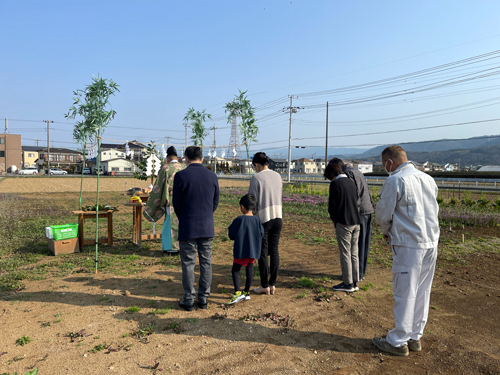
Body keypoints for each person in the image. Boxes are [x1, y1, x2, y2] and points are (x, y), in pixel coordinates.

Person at [372, 145, 440, 357]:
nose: (386, 168)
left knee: (405, 291)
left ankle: (397, 340)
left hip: (408, 244)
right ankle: (415, 336)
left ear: (390, 162)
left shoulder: (395, 180)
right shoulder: (428, 179)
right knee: (422, 290)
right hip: (430, 242)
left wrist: (386, 232)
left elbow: (383, 214)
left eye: (385, 165)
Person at [172, 146, 219, 311]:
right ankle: (204, 298)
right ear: (202, 159)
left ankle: (189, 299)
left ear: (185, 159)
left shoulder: (181, 176)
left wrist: (184, 216)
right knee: (206, 262)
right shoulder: (212, 176)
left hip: (188, 226)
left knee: (188, 263)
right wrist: (206, 214)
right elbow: (215, 202)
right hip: (207, 225)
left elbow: (176, 203)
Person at [330, 158, 374, 281]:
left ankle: (356, 274)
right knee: (364, 243)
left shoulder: (347, 174)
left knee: (356, 245)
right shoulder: (357, 171)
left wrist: (350, 211)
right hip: (368, 210)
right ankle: (361, 272)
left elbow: (353, 195)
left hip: (358, 212)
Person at [248, 152, 282, 295]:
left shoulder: (256, 178)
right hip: (278, 217)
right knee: (274, 251)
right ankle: (273, 284)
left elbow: (252, 200)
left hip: (264, 218)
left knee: (263, 252)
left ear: (256, 164)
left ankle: (264, 285)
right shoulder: (277, 175)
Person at [324, 162, 361, 293]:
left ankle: (347, 283)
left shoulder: (335, 184)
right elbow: (357, 201)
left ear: (332, 175)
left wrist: (334, 220)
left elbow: (332, 206)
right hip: (356, 221)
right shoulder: (351, 182)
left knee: (345, 252)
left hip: (343, 222)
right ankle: (355, 281)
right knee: (354, 252)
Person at [144, 146, 185, 254]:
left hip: (170, 199)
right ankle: (182, 246)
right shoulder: (184, 167)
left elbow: (158, 187)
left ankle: (170, 247)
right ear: (178, 158)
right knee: (182, 222)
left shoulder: (165, 168)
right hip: (184, 199)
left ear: (167, 159)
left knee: (169, 223)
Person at [227, 194, 264, 305]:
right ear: (253, 208)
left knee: (235, 270)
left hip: (241, 250)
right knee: (250, 270)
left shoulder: (239, 220)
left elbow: (231, 234)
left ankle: (238, 292)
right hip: (253, 251)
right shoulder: (257, 220)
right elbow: (261, 233)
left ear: (242, 207)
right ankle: (246, 292)